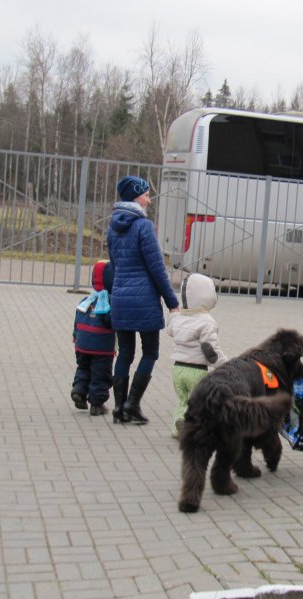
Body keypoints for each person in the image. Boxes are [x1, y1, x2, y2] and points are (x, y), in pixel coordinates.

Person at [108, 175, 180, 424]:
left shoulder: (113, 225)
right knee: (150, 352)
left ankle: (118, 408)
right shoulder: (143, 226)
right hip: (144, 300)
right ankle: (133, 404)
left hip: (120, 297)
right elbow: (157, 268)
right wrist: (172, 301)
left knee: (125, 352)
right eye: (146, 195)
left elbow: (114, 266)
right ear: (136, 196)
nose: (149, 200)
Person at [166, 273, 228, 438]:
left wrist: (173, 313)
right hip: (196, 370)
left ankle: (178, 425)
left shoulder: (179, 318)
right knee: (198, 402)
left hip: (177, 370)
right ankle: (195, 429)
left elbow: (170, 329)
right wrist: (226, 365)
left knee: (184, 400)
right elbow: (210, 350)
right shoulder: (207, 322)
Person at [71, 260, 116, 416]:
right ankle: (97, 404)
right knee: (100, 375)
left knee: (83, 368)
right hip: (102, 347)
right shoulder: (110, 302)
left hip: (82, 345)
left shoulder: (86, 300)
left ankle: (79, 392)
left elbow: (77, 321)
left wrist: (75, 338)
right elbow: (111, 322)